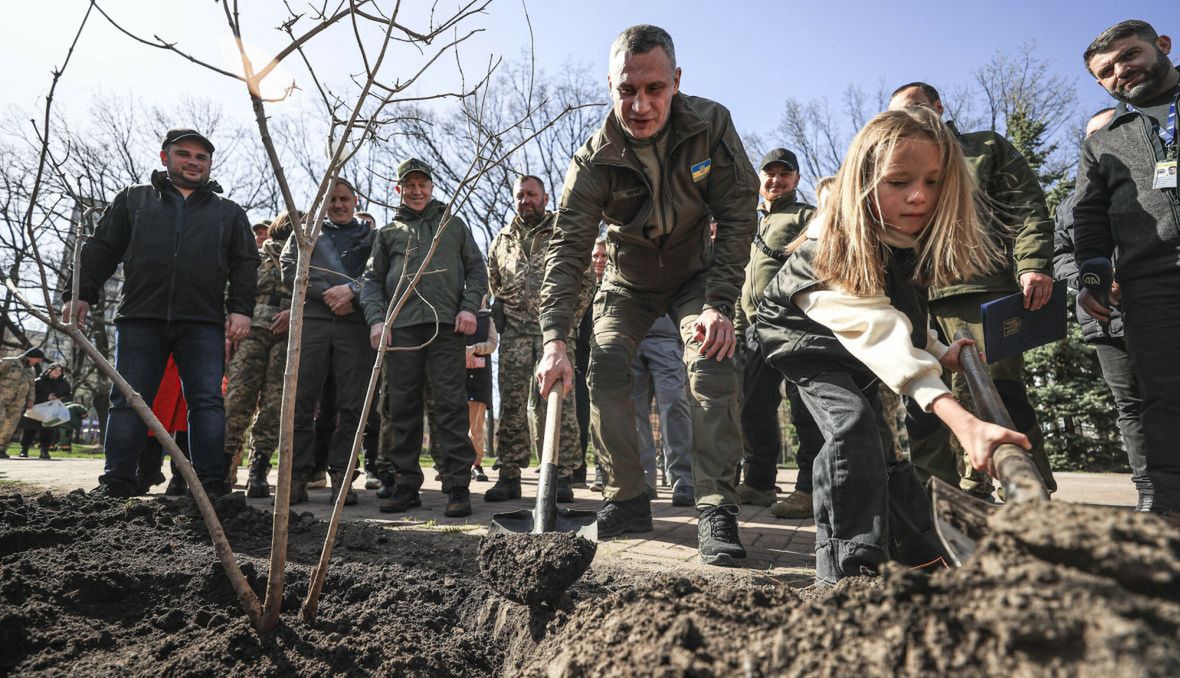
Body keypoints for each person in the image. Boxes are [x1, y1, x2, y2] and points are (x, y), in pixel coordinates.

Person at [755, 106, 1031, 584]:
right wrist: (963, 422)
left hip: (858, 334)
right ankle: (847, 570)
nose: (919, 196)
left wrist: (938, 346)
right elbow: (876, 328)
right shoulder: (834, 244)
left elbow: (895, 311)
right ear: (864, 180)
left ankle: (917, 551)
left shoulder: (908, 237)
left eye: (933, 180)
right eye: (898, 181)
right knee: (852, 425)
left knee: (883, 446)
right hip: (801, 336)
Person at [535, 25, 759, 566]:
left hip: (695, 277)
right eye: (626, 90)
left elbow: (736, 213)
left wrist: (719, 303)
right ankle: (627, 499)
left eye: (654, 89)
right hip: (628, 281)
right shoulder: (594, 160)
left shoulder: (710, 126)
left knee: (711, 361)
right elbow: (568, 247)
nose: (640, 105)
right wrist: (555, 338)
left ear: (676, 82)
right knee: (606, 363)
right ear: (609, 86)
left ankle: (714, 509)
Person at [63, 128, 259, 498]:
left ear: (209, 164)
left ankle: (210, 486)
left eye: (201, 157)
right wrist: (79, 294)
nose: (193, 162)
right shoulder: (133, 201)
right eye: (184, 154)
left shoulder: (228, 213)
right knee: (128, 400)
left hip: (202, 322)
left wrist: (241, 310)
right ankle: (117, 483)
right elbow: (102, 249)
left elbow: (246, 265)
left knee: (207, 402)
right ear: (164, 157)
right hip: (140, 317)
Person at [887, 82, 1057, 500]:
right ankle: (942, 493)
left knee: (997, 391)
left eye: (915, 107)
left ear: (938, 107)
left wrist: (1033, 264)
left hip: (979, 288)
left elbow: (1028, 207)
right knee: (924, 399)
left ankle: (1028, 491)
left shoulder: (985, 148)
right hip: (915, 297)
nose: (909, 118)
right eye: (898, 113)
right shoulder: (892, 162)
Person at [1074, 20, 1180, 524]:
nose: (1121, 71)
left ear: (1162, 46)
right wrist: (1092, 276)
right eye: (1107, 71)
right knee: (1162, 394)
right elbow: (1088, 217)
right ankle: (1168, 510)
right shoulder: (1103, 142)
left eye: (1128, 56)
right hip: (1151, 284)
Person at [361, 158, 488, 518]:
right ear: (398, 189)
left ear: (431, 187)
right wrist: (377, 321)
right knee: (400, 407)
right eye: (409, 185)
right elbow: (371, 282)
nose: (416, 191)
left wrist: (468, 308)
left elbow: (477, 270)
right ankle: (404, 484)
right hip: (401, 330)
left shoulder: (453, 226)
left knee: (449, 404)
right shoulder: (388, 234)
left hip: (446, 328)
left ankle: (457, 485)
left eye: (423, 184)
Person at [1053, 108, 1148, 507]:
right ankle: (1150, 489)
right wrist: (1091, 280)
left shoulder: (1152, 178)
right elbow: (1059, 256)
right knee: (1130, 405)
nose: (1101, 138)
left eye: (1109, 129)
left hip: (1155, 304)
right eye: (1092, 135)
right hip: (1104, 320)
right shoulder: (1068, 204)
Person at [485, 175, 592, 503]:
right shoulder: (502, 239)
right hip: (516, 336)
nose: (525, 200)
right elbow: (495, 281)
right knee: (513, 405)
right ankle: (509, 474)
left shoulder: (563, 232)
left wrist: (566, 326)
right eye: (520, 195)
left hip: (555, 338)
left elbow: (585, 281)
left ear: (545, 198)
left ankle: (561, 476)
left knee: (558, 405)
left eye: (532, 194)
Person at [280, 179, 375, 506]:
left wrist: (354, 291)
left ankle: (343, 477)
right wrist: (327, 293)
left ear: (354, 200)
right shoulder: (305, 234)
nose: (338, 204)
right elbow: (290, 266)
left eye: (344, 199)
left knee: (351, 404)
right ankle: (297, 475)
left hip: (355, 325)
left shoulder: (370, 237)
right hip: (314, 322)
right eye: (332, 199)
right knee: (301, 400)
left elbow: (382, 273)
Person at [734, 148, 819, 509]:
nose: (776, 179)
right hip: (755, 328)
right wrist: (738, 328)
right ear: (760, 178)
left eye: (785, 174)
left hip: (795, 323)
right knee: (754, 407)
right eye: (770, 173)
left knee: (804, 408)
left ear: (796, 180)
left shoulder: (807, 215)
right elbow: (741, 278)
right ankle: (758, 482)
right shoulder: (746, 221)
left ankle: (809, 487)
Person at [224, 211, 294, 498]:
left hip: (287, 335)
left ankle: (259, 469)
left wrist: (296, 312)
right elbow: (235, 292)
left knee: (274, 404)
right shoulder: (255, 256)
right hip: (251, 330)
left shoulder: (309, 258)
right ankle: (224, 466)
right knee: (238, 398)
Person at [631, 314, 694, 505]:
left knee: (674, 403)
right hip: (629, 333)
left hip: (667, 335)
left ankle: (683, 479)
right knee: (633, 410)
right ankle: (643, 480)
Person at [582, 235, 608, 492]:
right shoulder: (583, 286)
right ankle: (585, 469)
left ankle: (604, 471)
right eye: (595, 256)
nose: (599, 261)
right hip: (583, 360)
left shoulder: (615, 286)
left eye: (604, 256)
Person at [467, 302, 498, 482]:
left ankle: (476, 464)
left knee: (476, 426)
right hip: (456, 375)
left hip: (480, 378)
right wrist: (461, 354)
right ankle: (452, 462)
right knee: (454, 422)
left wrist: (474, 349)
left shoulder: (488, 318)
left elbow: (492, 343)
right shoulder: (454, 311)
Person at [20, 363, 72, 459]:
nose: (57, 372)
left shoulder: (64, 383)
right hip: (37, 409)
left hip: (52, 411)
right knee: (30, 429)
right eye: (55, 370)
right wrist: (45, 397)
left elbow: (68, 396)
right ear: (49, 370)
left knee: (48, 431)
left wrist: (61, 399)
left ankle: (44, 451)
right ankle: (24, 449)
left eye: (59, 371)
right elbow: (31, 393)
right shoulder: (39, 381)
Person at [0, 348, 45, 458]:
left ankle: (1, 449)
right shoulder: (9, 361)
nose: (38, 362)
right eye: (38, 359)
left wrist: (31, 400)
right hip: (2, 397)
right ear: (32, 357)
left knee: (10, 426)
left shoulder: (32, 370)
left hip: (18, 402)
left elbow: (32, 386)